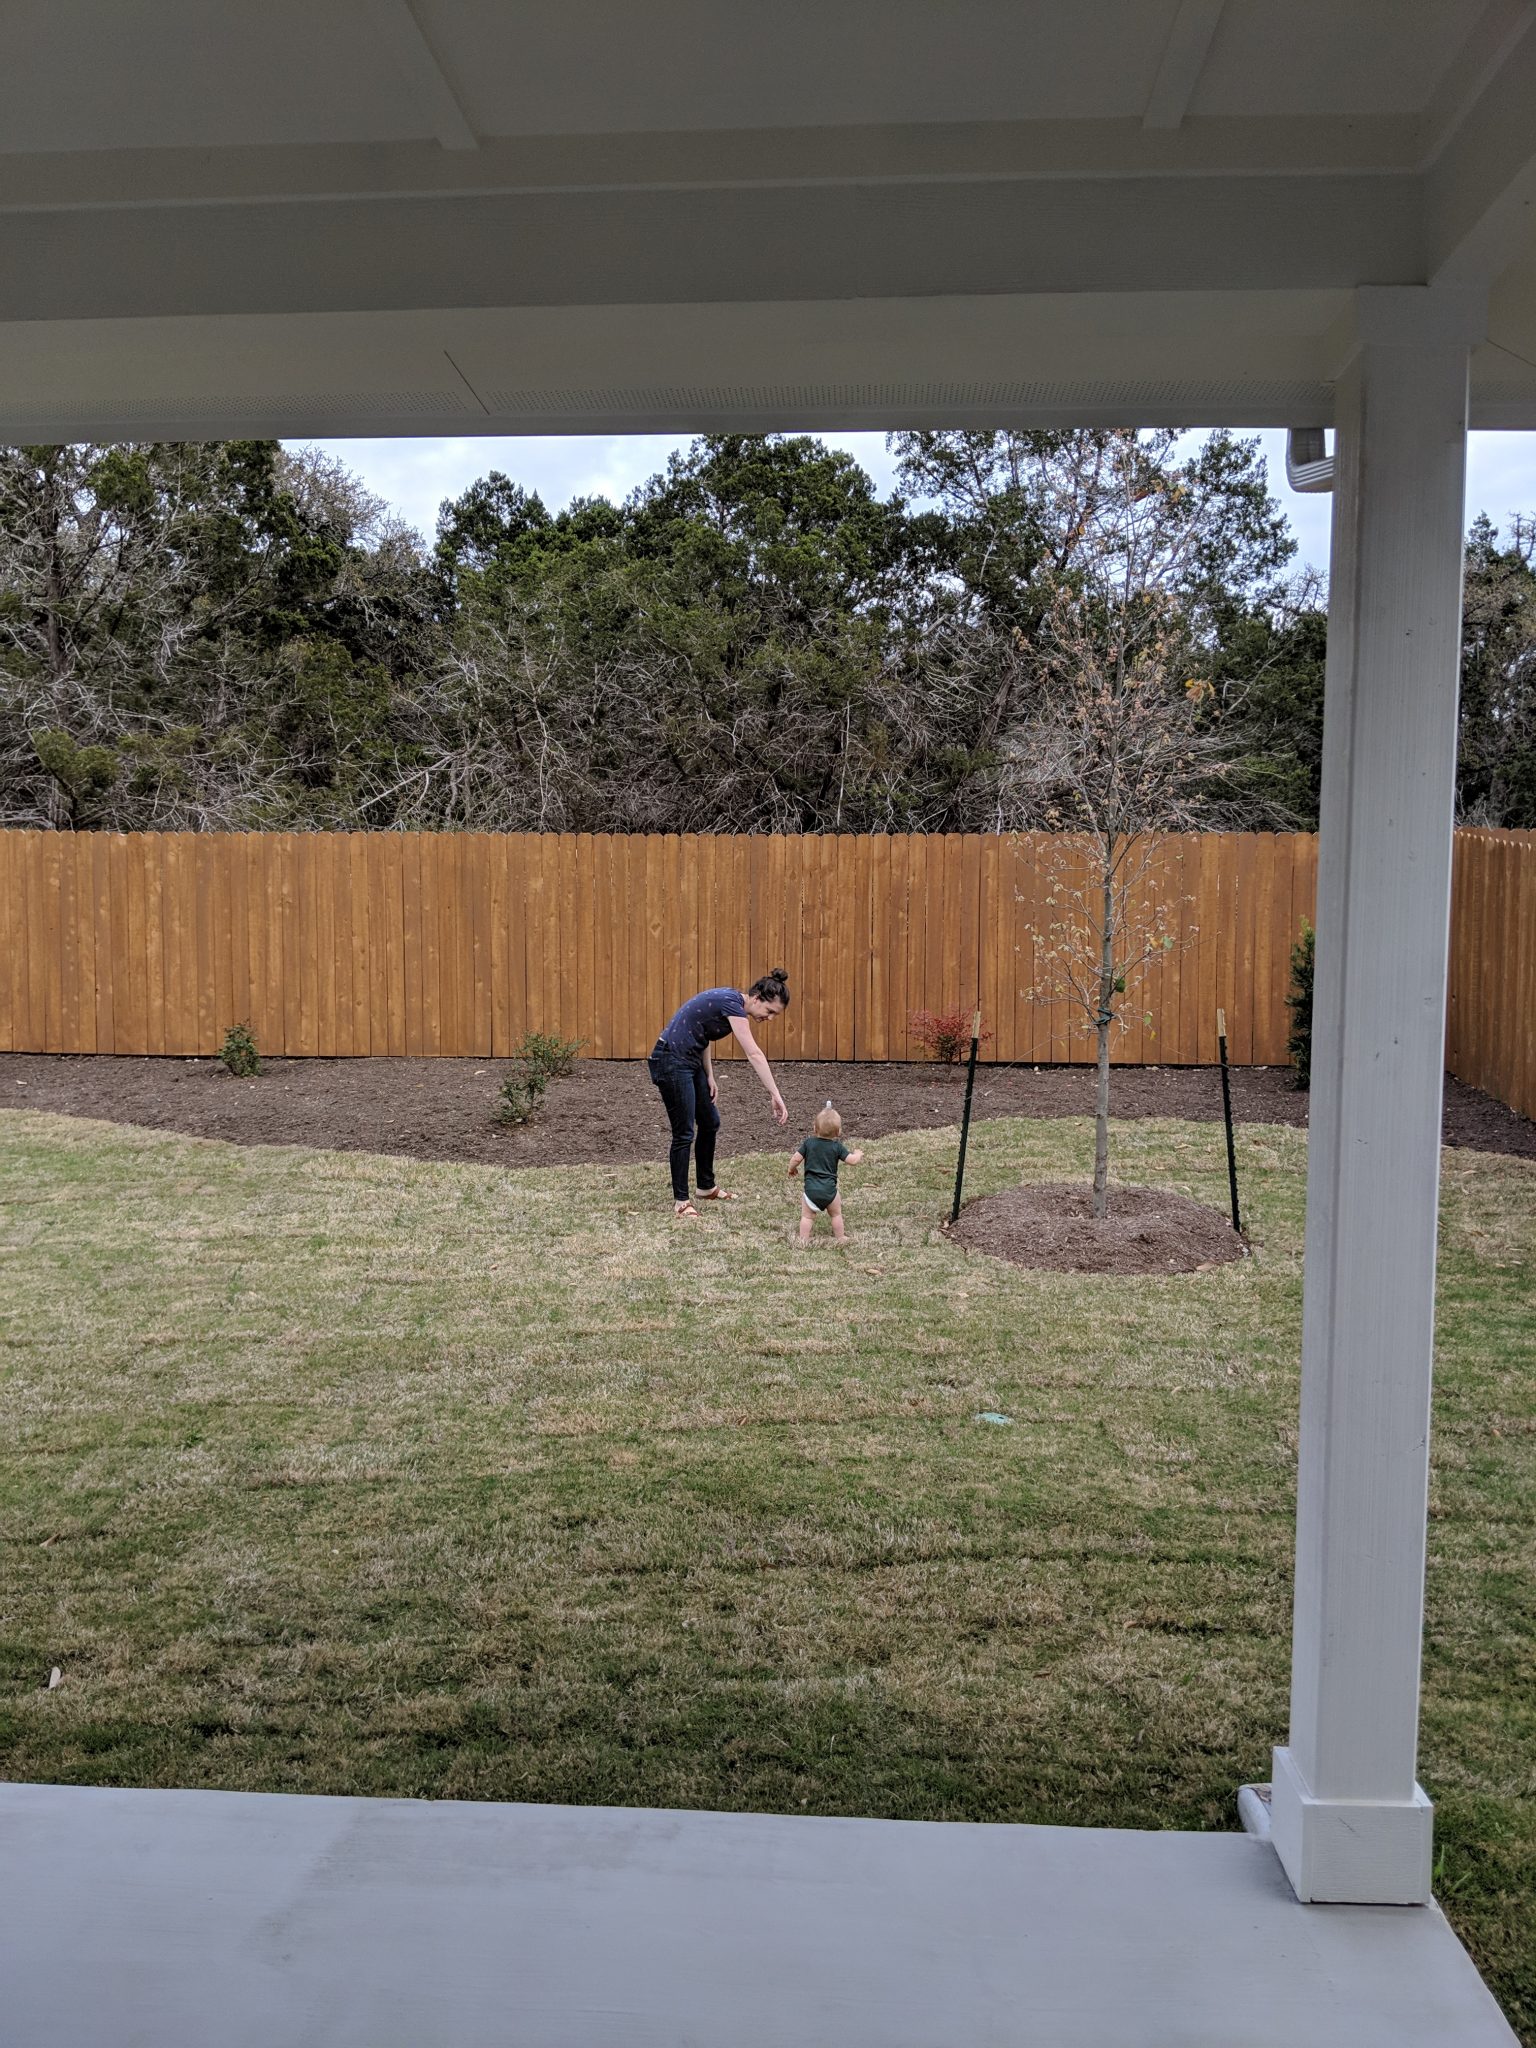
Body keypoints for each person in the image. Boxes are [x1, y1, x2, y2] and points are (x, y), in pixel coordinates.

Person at [648, 969, 790, 1219]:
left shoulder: (732, 1003)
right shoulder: (732, 1004)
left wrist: (709, 1075)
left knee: (710, 1122)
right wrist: (775, 1094)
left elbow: (702, 1034)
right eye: (770, 1012)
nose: (769, 1018)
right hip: (670, 1060)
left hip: (689, 1061)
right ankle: (681, 1201)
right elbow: (754, 1053)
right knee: (684, 1132)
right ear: (756, 998)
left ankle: (705, 1187)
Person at [788, 1102, 864, 1243]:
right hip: (830, 1191)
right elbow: (852, 1161)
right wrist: (858, 1154)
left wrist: (791, 1169)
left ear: (814, 1129)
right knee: (836, 1215)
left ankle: (803, 1239)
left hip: (811, 1191)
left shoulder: (808, 1143)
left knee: (807, 1216)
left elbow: (796, 1158)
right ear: (838, 1132)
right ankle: (840, 1237)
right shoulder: (837, 1147)